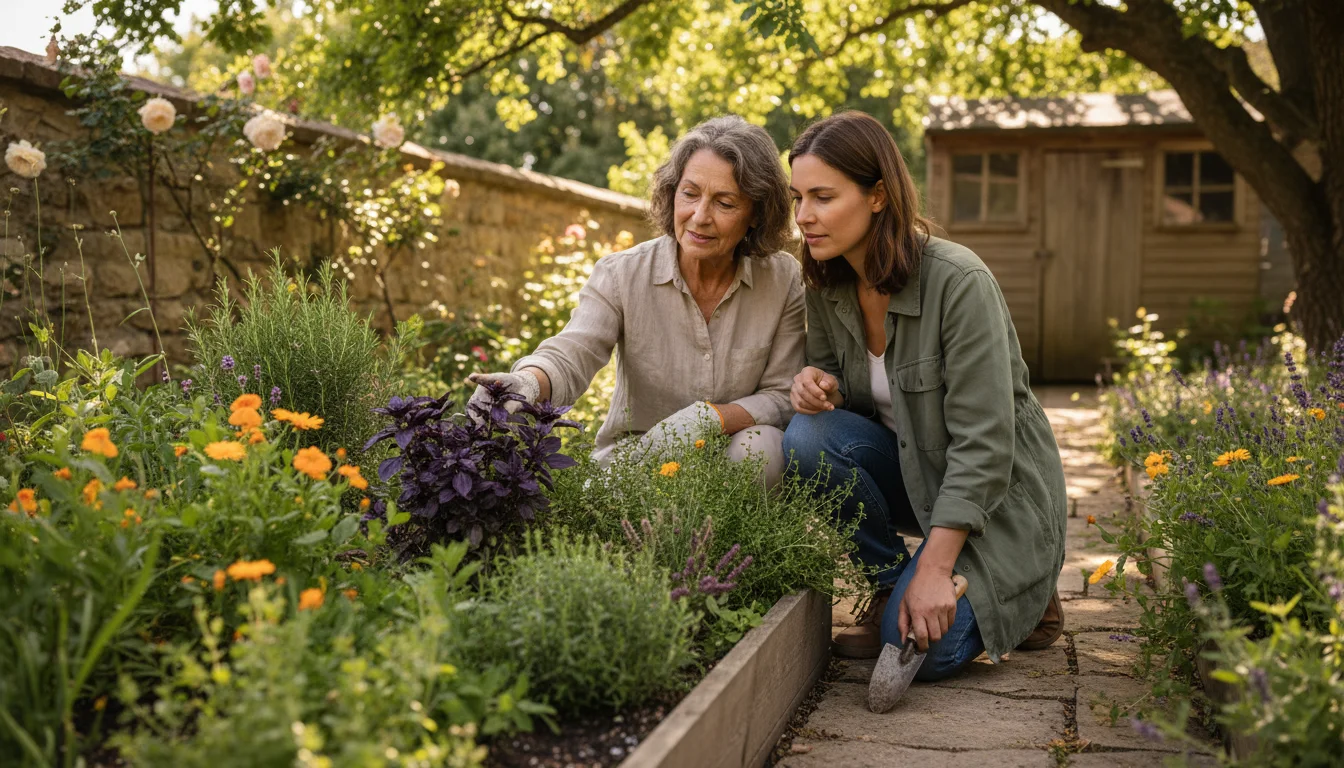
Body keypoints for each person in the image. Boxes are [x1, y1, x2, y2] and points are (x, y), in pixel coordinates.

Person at [782, 111, 1067, 681]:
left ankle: (1024, 587)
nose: (804, 217)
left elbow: (986, 445)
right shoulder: (826, 279)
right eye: (797, 198)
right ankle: (891, 586)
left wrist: (936, 570)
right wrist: (816, 384)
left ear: (879, 196)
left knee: (920, 652)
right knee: (807, 438)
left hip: (999, 499)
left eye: (822, 197)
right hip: (920, 477)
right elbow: (835, 385)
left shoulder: (959, 282)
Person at [467, 115, 804, 484]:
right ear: (673, 192)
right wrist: (528, 383)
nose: (699, 216)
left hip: (729, 458)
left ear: (755, 214)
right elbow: (572, 353)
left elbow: (783, 394)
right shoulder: (620, 274)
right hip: (637, 460)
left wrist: (712, 418)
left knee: (764, 446)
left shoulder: (782, 279)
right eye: (689, 194)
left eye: (725, 203)